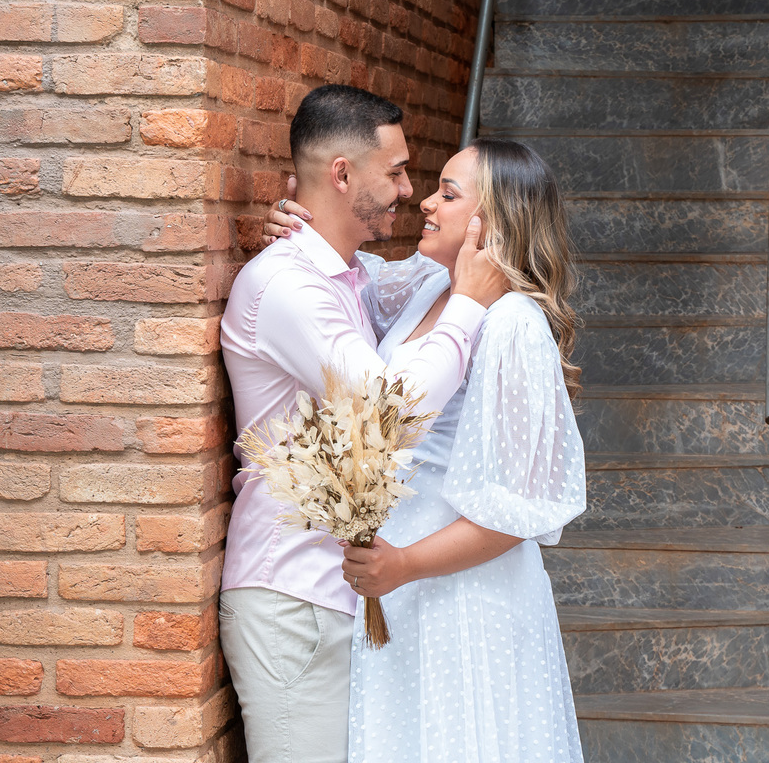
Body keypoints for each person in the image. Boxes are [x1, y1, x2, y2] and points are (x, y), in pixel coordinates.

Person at [265, 138, 586, 762]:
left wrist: (405, 565)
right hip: (400, 588)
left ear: (492, 222)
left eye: (448, 194)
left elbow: (514, 514)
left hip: (465, 597)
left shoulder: (513, 321)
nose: (426, 204)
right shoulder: (425, 287)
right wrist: (294, 228)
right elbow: (347, 275)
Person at [218, 85, 507, 763]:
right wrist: (468, 306)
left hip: (336, 594)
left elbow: (412, 282)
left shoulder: (350, 277)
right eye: (397, 171)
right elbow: (387, 414)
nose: (409, 191)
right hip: (293, 597)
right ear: (343, 175)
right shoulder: (289, 287)